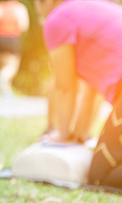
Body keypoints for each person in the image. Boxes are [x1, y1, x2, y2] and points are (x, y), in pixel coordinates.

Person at [33, 0, 122, 190]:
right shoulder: (90, 9)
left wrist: (63, 134)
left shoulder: (56, 19)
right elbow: (91, 93)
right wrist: (79, 135)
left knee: (101, 175)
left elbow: (65, 85)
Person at [0, 0, 30, 97]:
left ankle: (6, 92)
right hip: (12, 38)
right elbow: (24, 25)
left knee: (3, 66)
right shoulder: (19, 8)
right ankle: (1, 77)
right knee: (12, 67)